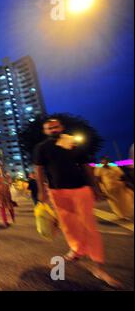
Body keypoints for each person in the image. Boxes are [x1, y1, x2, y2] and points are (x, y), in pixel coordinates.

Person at [34, 118, 121, 288]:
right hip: (57, 192)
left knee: (89, 227)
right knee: (68, 226)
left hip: (80, 189)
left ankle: (98, 267)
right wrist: (41, 191)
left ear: (62, 127)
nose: (53, 129)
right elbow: (38, 170)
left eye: (55, 126)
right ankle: (77, 250)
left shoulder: (73, 142)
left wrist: (95, 187)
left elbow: (86, 165)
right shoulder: (41, 148)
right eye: (49, 128)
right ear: (45, 131)